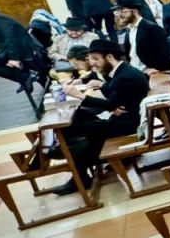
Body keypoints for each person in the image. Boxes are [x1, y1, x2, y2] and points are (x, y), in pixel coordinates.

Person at [52, 39, 149, 194]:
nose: (92, 63)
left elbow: (111, 103)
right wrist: (104, 90)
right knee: (79, 116)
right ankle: (66, 149)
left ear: (109, 57)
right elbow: (114, 98)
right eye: (91, 59)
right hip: (125, 118)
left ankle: (72, 163)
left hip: (127, 125)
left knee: (80, 132)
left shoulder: (124, 76)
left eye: (95, 59)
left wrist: (79, 95)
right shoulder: (122, 71)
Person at [113, 0, 170, 75]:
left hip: (153, 75)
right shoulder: (129, 30)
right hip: (137, 75)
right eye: (117, 12)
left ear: (135, 11)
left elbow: (165, 53)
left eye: (123, 11)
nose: (119, 15)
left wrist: (157, 69)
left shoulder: (151, 27)